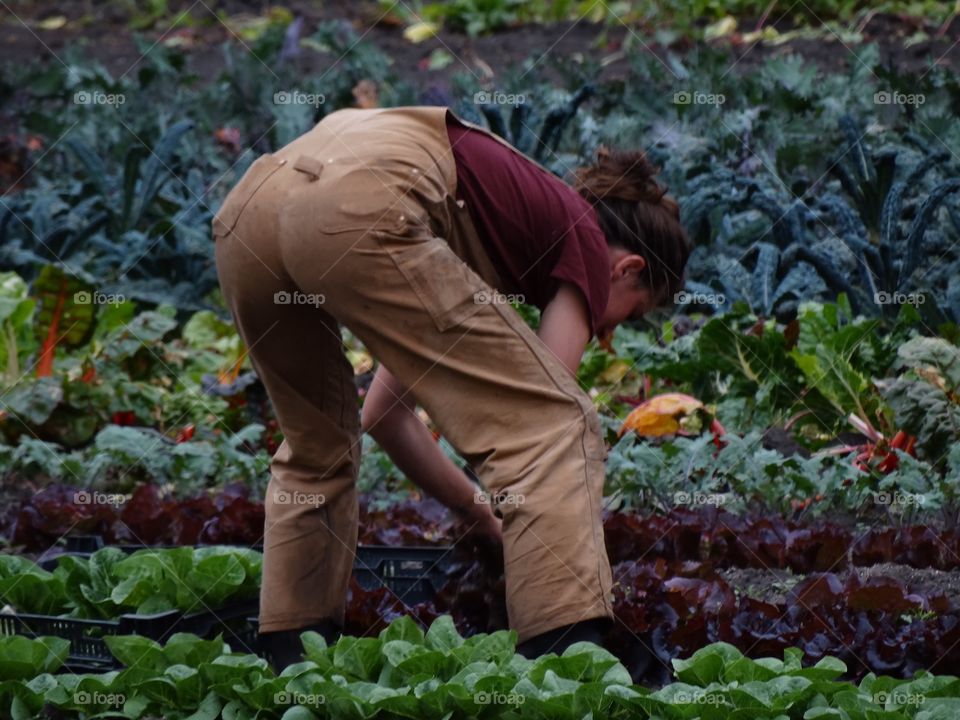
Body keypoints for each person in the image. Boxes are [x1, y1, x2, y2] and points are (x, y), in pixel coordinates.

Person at [212, 104, 691, 668]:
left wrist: (478, 513)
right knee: (555, 425)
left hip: (252, 209)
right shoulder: (582, 237)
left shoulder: (480, 228)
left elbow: (385, 416)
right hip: (355, 204)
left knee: (317, 447)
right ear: (629, 269)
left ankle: (289, 659)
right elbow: (539, 426)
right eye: (632, 314)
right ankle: (567, 667)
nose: (609, 334)